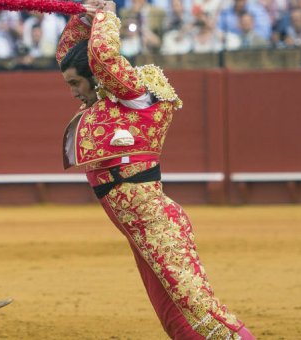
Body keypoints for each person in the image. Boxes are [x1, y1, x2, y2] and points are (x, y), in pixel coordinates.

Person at [56, 0, 256, 338]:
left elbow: (102, 58)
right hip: (139, 225)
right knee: (172, 315)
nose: (74, 93)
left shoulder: (135, 94)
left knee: (197, 306)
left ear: (96, 77)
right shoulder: (112, 98)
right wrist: (82, 16)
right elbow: (70, 54)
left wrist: (106, 16)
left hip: (156, 225)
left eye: (76, 83)